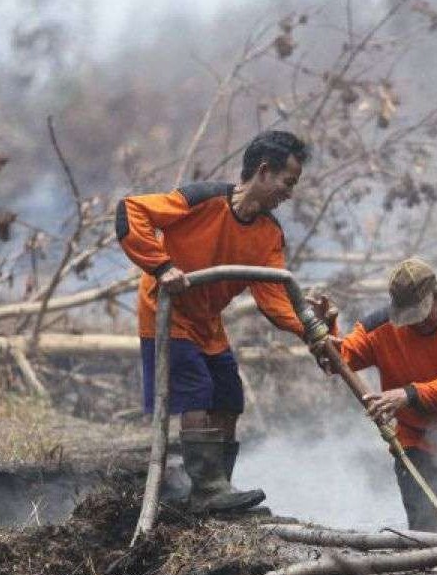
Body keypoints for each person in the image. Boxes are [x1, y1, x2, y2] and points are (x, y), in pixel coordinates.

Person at [115, 130, 310, 513]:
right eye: (288, 183)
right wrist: (162, 266)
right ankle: (207, 490)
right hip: (167, 312)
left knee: (228, 396)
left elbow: (274, 299)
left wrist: (312, 331)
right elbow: (130, 211)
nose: (289, 193)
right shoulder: (200, 200)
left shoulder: (269, 234)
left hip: (207, 322)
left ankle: (218, 491)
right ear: (264, 172)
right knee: (197, 389)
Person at [331, 257, 437, 543]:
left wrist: (409, 394)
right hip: (414, 445)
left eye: (421, 313)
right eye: (408, 317)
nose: (415, 324)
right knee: (425, 538)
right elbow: (339, 360)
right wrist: (325, 331)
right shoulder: (378, 328)